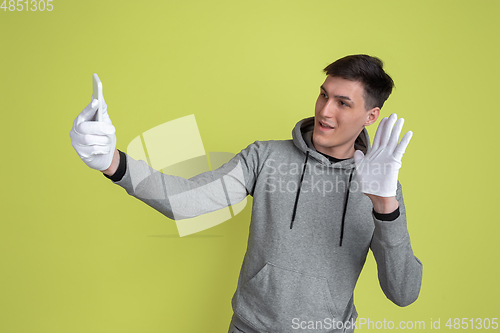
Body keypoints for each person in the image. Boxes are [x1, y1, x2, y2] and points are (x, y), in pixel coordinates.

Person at [70, 54, 423, 333]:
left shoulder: (382, 189)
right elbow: (186, 201)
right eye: (323, 95)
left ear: (370, 116)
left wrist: (385, 205)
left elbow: (403, 292)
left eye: (343, 103)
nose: (324, 111)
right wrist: (112, 162)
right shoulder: (266, 157)